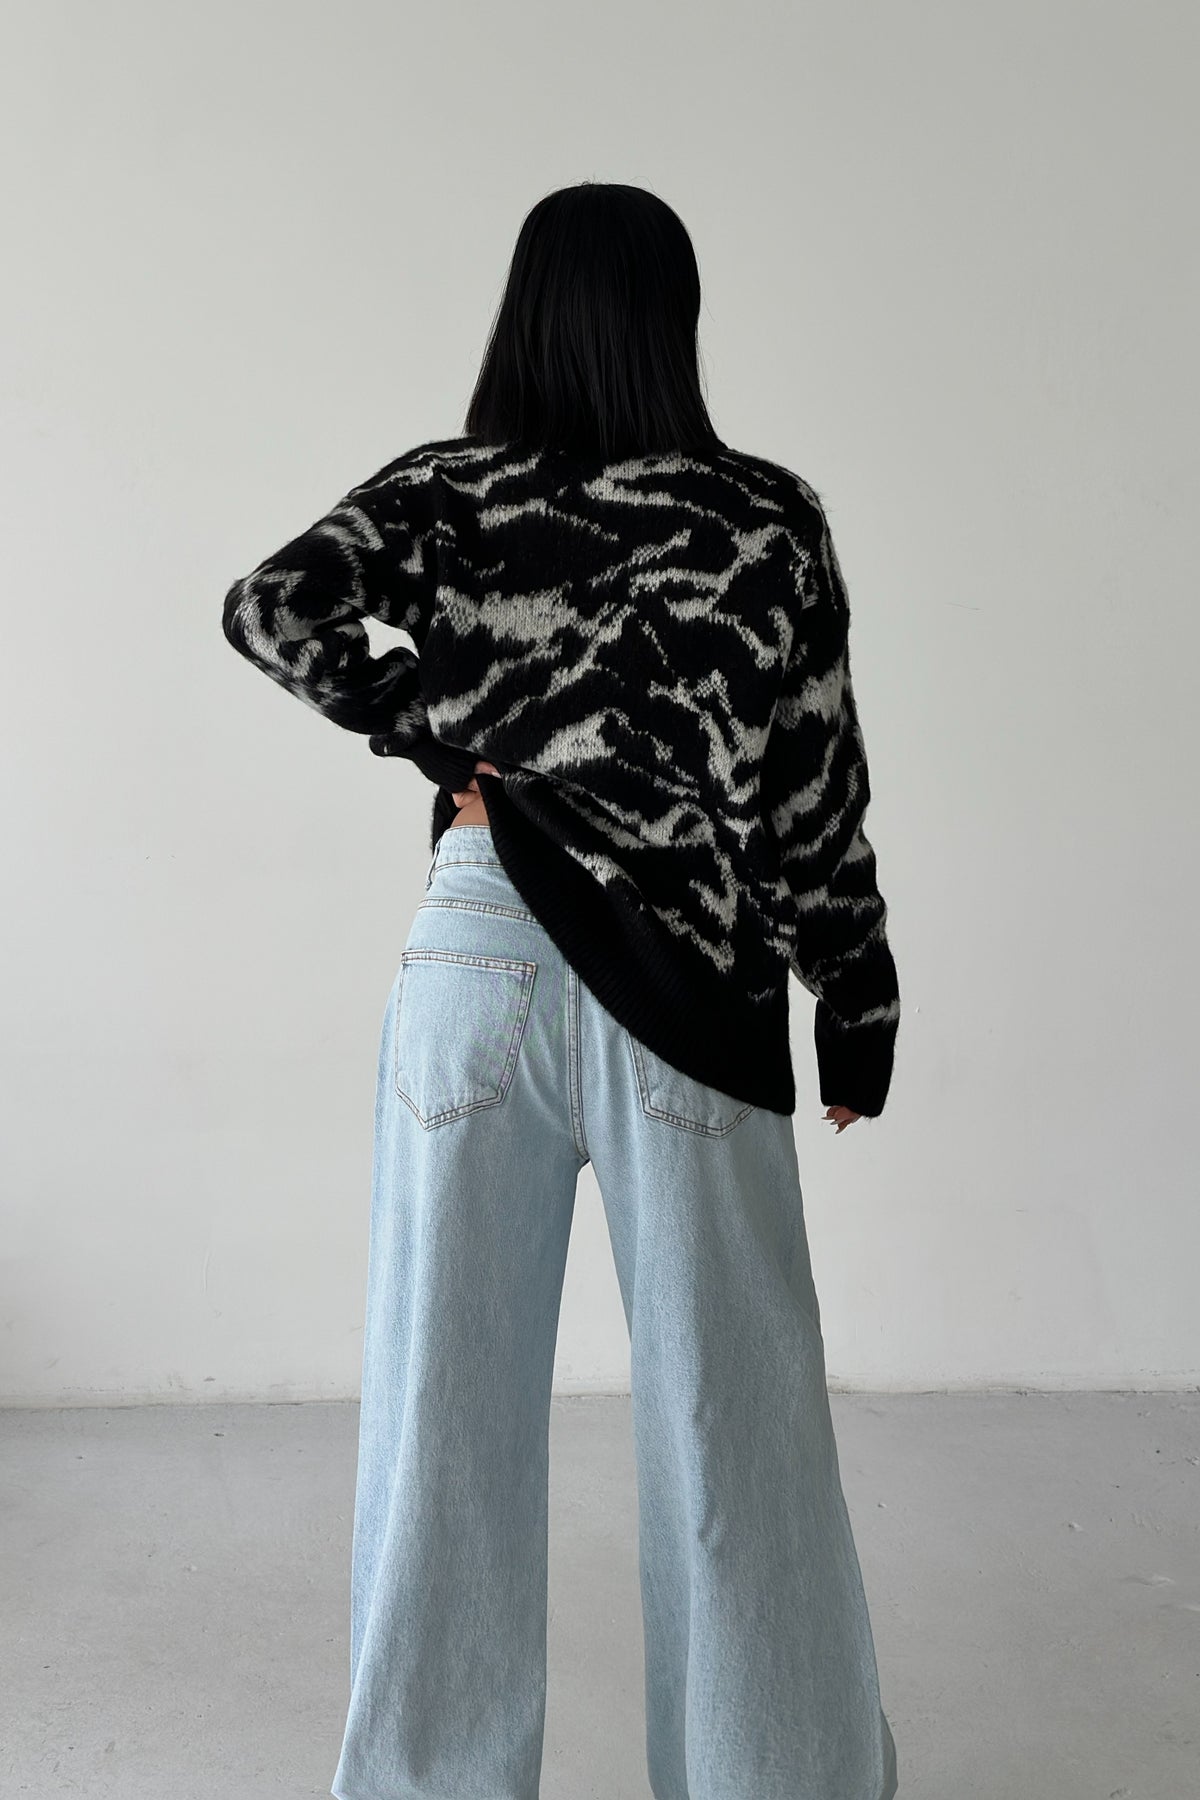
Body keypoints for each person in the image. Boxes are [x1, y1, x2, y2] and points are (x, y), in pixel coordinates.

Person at [222, 180, 901, 1800]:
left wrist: (434, 734)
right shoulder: (763, 518)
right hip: (694, 982)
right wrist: (853, 993)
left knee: (437, 1435)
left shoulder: (451, 490)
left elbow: (270, 605)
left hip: (478, 962)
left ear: (523, 313)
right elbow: (811, 795)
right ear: (674, 321)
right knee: (739, 1438)